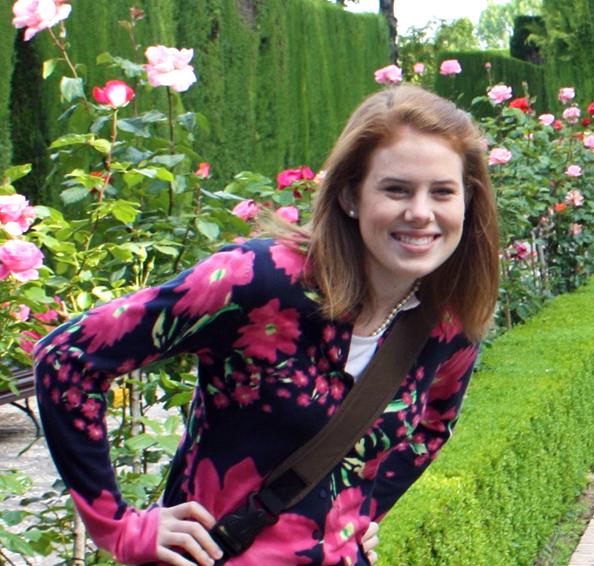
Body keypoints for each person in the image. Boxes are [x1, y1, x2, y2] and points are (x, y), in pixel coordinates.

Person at [34, 85, 501, 566]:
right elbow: (67, 358)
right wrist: (119, 528)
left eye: (442, 191)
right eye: (396, 189)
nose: (420, 212)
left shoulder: (449, 322)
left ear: (467, 201)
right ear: (350, 196)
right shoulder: (257, 281)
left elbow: (432, 427)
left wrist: (359, 510)